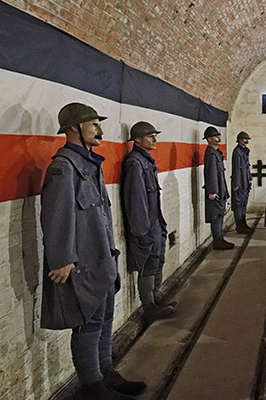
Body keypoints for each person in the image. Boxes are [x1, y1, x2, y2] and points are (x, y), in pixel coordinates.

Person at [41, 103, 145, 399]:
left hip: (100, 258)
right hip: (82, 264)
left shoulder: (86, 164)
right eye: (94, 124)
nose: (100, 129)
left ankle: (105, 373)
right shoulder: (64, 167)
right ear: (74, 128)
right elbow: (56, 215)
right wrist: (62, 260)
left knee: (104, 320)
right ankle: (92, 387)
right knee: (87, 324)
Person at [122, 121, 175, 324]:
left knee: (157, 261)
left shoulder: (146, 161)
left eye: (155, 135)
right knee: (148, 265)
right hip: (146, 226)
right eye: (150, 136)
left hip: (155, 223)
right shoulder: (135, 163)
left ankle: (157, 297)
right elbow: (136, 200)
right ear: (137, 139)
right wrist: (142, 231)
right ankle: (149, 306)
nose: (155, 139)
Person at [203, 126, 234, 250]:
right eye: (215, 136)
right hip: (215, 191)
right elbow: (211, 173)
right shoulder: (211, 154)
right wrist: (212, 191)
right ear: (209, 139)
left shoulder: (216, 153)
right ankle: (218, 240)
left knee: (220, 215)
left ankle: (220, 238)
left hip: (220, 189)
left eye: (218, 135)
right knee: (216, 217)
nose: (218, 138)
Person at [231, 131, 254, 234]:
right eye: (245, 139)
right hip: (239, 182)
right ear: (240, 140)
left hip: (245, 181)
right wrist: (236, 184)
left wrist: (249, 178)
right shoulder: (237, 152)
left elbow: (247, 166)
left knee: (243, 204)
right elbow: (236, 169)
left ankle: (243, 223)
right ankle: (239, 226)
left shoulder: (245, 151)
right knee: (238, 205)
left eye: (247, 139)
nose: (246, 141)